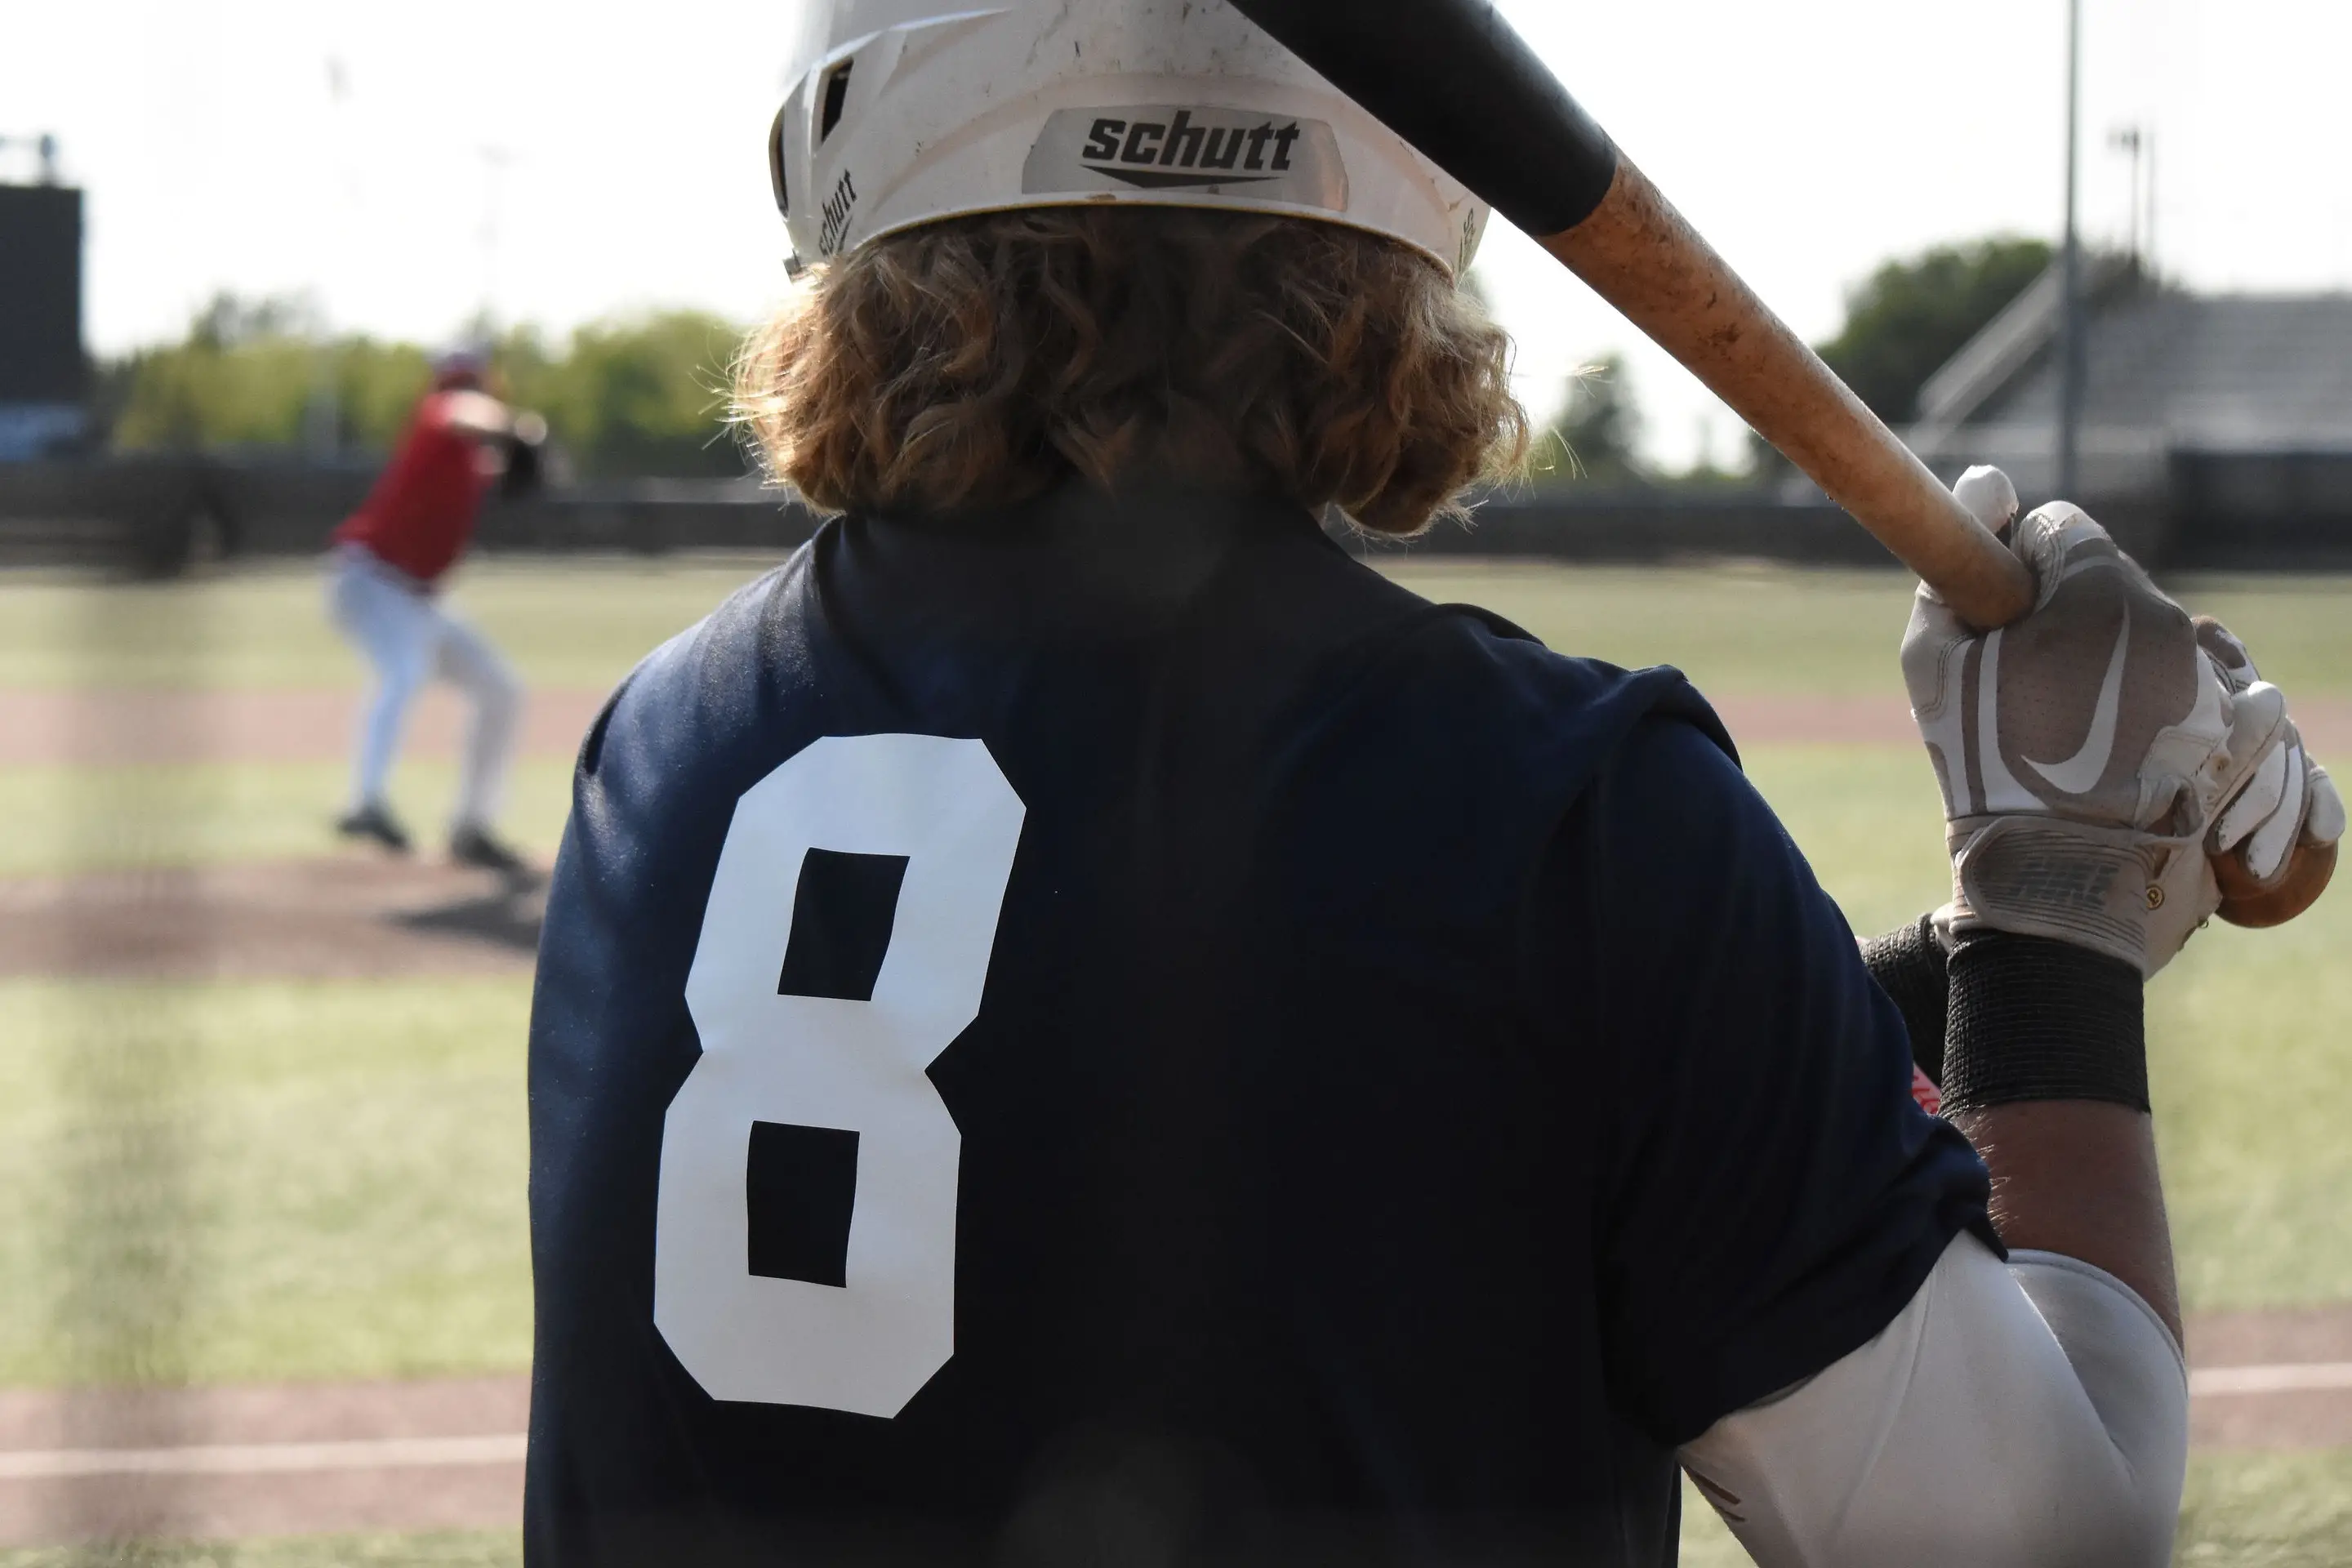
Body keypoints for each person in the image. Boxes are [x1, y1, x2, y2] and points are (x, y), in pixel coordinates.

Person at [523, 3, 2344, 1564]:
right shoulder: (1575, 821)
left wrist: (1847, 1012)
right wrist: (2053, 907)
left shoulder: (663, 752)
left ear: (834, 170)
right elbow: (2038, 1539)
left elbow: (1232, 1101)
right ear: (1417, 221)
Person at [327, 348, 543, 873]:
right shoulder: (441, 412)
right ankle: (364, 803)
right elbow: (468, 413)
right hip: (372, 578)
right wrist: (519, 429)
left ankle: (472, 827)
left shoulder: (464, 456)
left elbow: (497, 461)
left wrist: (516, 449)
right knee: (404, 672)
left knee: (501, 692)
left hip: (419, 599)